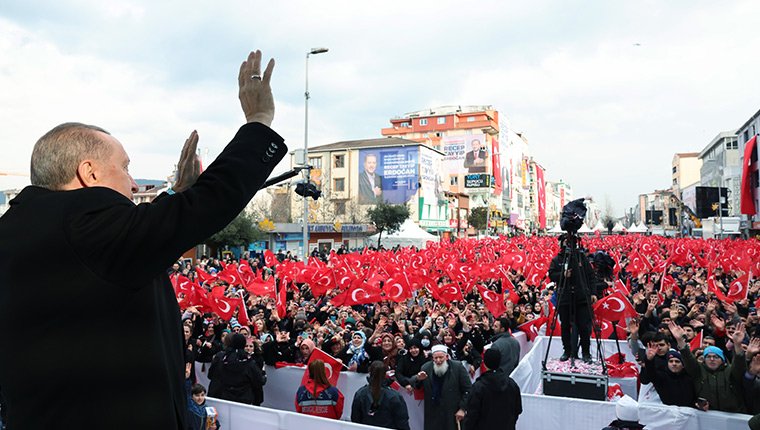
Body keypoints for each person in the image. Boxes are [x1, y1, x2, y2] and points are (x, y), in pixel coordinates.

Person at [0, 49, 282, 428]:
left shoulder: (22, 233)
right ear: (90, 174)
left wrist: (174, 197)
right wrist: (259, 123)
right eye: (125, 167)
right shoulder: (84, 224)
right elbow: (204, 206)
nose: (133, 183)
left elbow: (112, 271)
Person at [670, 321, 747, 412]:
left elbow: (739, 363)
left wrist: (737, 344)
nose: (711, 359)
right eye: (708, 357)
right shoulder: (698, 371)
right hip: (708, 415)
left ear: (722, 360)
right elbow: (688, 357)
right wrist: (680, 340)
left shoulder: (730, 371)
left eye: (715, 357)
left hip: (734, 415)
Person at [548, 235, 599, 362]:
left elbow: (591, 276)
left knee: (583, 327)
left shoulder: (582, 258)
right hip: (565, 298)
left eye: (571, 242)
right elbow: (551, 275)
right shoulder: (557, 260)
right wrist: (563, 275)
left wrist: (593, 293)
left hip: (581, 298)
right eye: (567, 242)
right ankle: (567, 351)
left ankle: (586, 353)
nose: (569, 244)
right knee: (565, 326)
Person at [413, 344, 472, 430]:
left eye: (441, 357)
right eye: (435, 358)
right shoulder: (426, 367)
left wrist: (462, 408)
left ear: (447, 357)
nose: (438, 360)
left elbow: (468, 389)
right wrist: (418, 379)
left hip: (452, 413)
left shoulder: (457, 367)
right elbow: (417, 386)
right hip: (433, 414)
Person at [464, 349, 522, 430]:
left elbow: (471, 415)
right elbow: (518, 409)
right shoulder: (512, 384)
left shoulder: (478, 387)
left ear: (484, 363)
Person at [208, 333, 267, 406]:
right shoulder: (248, 361)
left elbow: (210, 375)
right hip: (241, 400)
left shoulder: (221, 357)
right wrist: (263, 373)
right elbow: (259, 380)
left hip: (225, 398)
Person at [351, 361, 410, 430]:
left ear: (370, 372)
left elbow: (355, 420)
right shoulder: (395, 396)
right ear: (385, 374)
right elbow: (402, 423)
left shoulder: (360, 393)